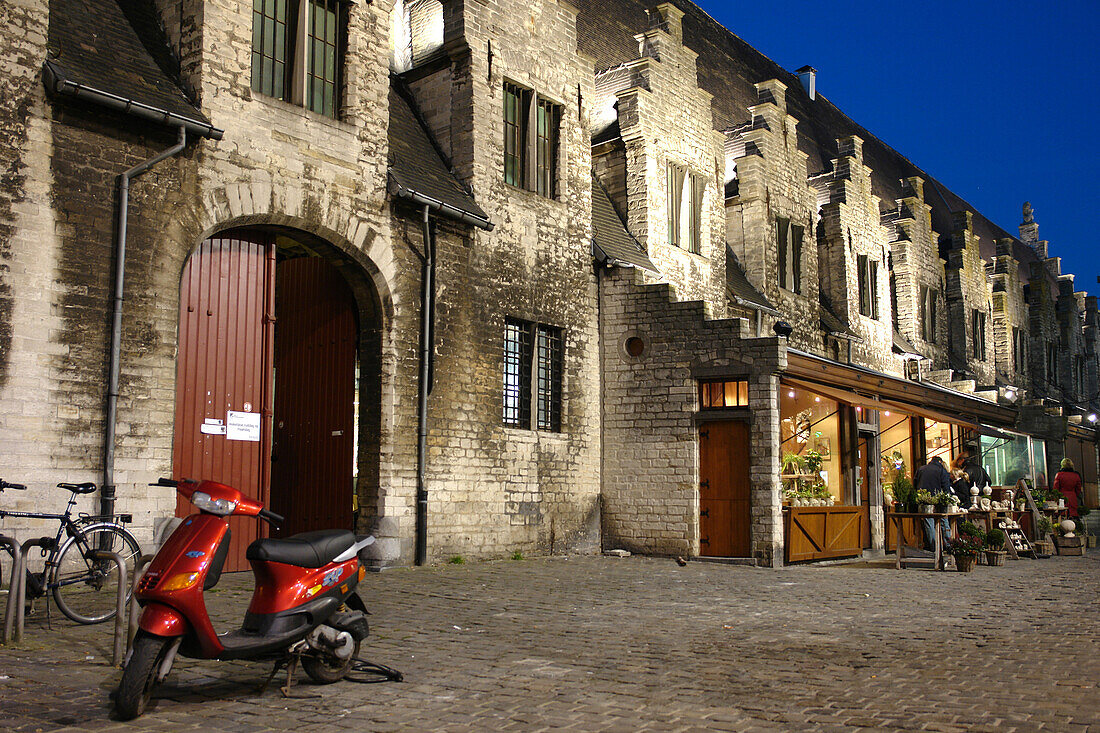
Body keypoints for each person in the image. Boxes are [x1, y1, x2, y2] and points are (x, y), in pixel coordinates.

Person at [914, 455, 954, 550]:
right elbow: (946, 487)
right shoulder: (941, 470)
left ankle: (934, 546)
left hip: (923, 500)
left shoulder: (921, 469)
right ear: (940, 462)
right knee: (944, 521)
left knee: (929, 523)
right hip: (938, 500)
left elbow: (915, 483)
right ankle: (948, 545)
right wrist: (947, 499)